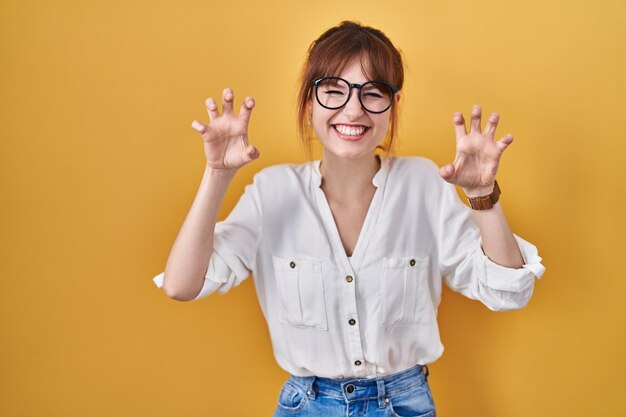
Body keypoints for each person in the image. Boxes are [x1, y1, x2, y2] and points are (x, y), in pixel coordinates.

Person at [151, 21, 545, 417]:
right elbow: (181, 285)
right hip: (305, 405)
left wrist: (482, 196)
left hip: (404, 404)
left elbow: (506, 290)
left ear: (392, 108)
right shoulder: (271, 192)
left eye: (373, 93)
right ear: (309, 104)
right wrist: (217, 174)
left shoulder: (425, 184)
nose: (353, 110)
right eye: (334, 90)